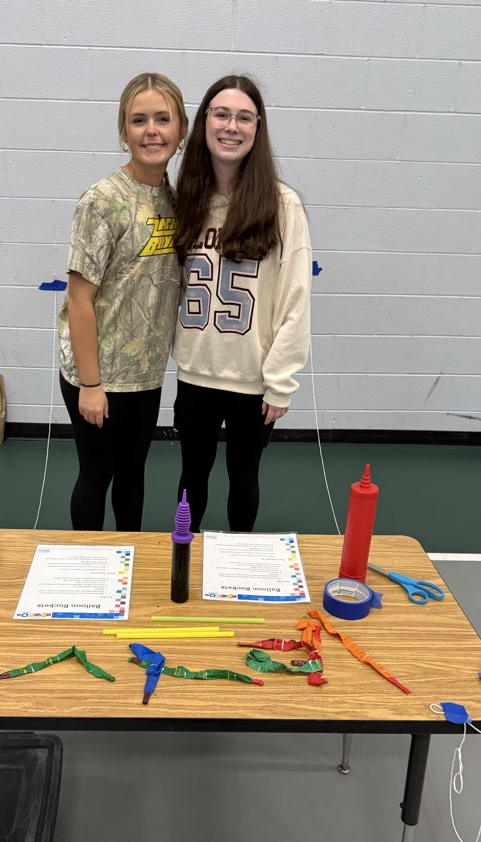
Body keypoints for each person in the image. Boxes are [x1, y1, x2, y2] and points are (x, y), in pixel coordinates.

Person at [172, 75, 312, 533]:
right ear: (204, 122)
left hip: (253, 380)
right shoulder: (186, 200)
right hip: (196, 372)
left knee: (244, 477)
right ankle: (183, 553)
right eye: (221, 114)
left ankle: (240, 557)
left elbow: (296, 299)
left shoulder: (283, 205)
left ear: (257, 128)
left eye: (244, 117)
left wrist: (281, 382)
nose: (231, 126)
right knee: (191, 476)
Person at [58, 74, 188, 530]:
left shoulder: (174, 200)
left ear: (181, 131)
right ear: (124, 132)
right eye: (139, 120)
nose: (151, 130)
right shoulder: (102, 201)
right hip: (100, 375)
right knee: (97, 475)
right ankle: (91, 565)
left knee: (133, 472)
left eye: (162, 119)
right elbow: (79, 298)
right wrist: (91, 385)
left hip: (145, 375)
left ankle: (128, 556)